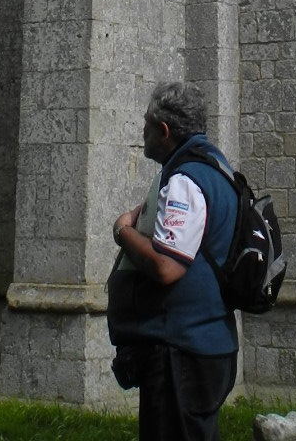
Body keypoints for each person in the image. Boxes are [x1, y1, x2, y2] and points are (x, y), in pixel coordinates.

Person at [110, 80, 239, 441]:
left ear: (164, 131)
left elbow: (168, 267)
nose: (143, 132)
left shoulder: (187, 179)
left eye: (147, 124)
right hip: (198, 346)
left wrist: (123, 231)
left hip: (183, 352)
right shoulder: (213, 166)